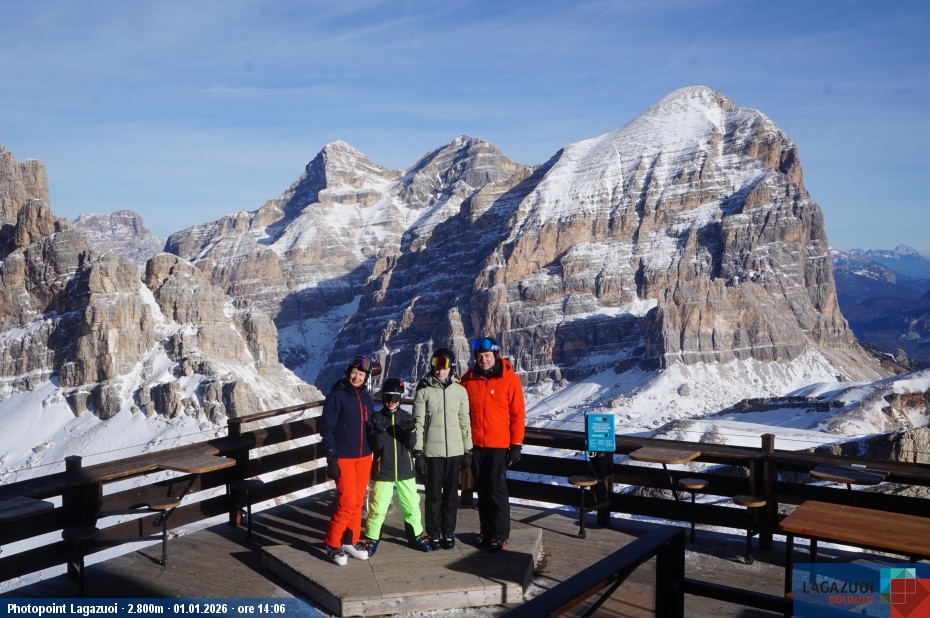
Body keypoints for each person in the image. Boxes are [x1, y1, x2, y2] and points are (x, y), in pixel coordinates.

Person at [460, 336, 525, 553]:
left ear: (495, 355)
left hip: (499, 445)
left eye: (487, 355)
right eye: (480, 356)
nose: (483, 360)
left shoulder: (510, 380)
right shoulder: (468, 379)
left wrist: (516, 444)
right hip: (476, 444)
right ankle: (486, 531)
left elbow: (517, 415)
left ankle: (500, 534)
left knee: (497, 490)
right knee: (482, 489)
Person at [360, 377, 433, 556]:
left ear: (400, 398)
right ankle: (372, 537)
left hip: (405, 469)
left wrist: (411, 430)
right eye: (387, 397)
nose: (391, 402)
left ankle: (415, 535)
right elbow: (375, 447)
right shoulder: (376, 418)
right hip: (383, 470)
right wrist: (378, 432)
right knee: (378, 506)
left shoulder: (406, 418)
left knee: (412, 504)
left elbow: (410, 444)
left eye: (395, 398)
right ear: (383, 398)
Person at [412, 347, 472, 550]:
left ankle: (448, 532)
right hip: (432, 453)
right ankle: (434, 532)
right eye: (436, 366)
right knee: (433, 496)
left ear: (451, 367)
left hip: (455, 453)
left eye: (444, 366)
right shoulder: (424, 392)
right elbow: (418, 423)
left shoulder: (460, 391)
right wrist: (418, 452)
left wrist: (468, 450)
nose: (440, 370)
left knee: (451, 497)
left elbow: (465, 422)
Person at [319, 355, 375, 566]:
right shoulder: (337, 396)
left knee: (359, 500)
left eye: (361, 374)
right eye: (354, 372)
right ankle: (333, 543)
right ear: (348, 372)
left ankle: (351, 540)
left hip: (364, 457)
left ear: (366, 377)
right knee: (347, 501)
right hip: (344, 457)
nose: (357, 376)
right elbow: (327, 429)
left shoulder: (366, 397)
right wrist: (331, 458)